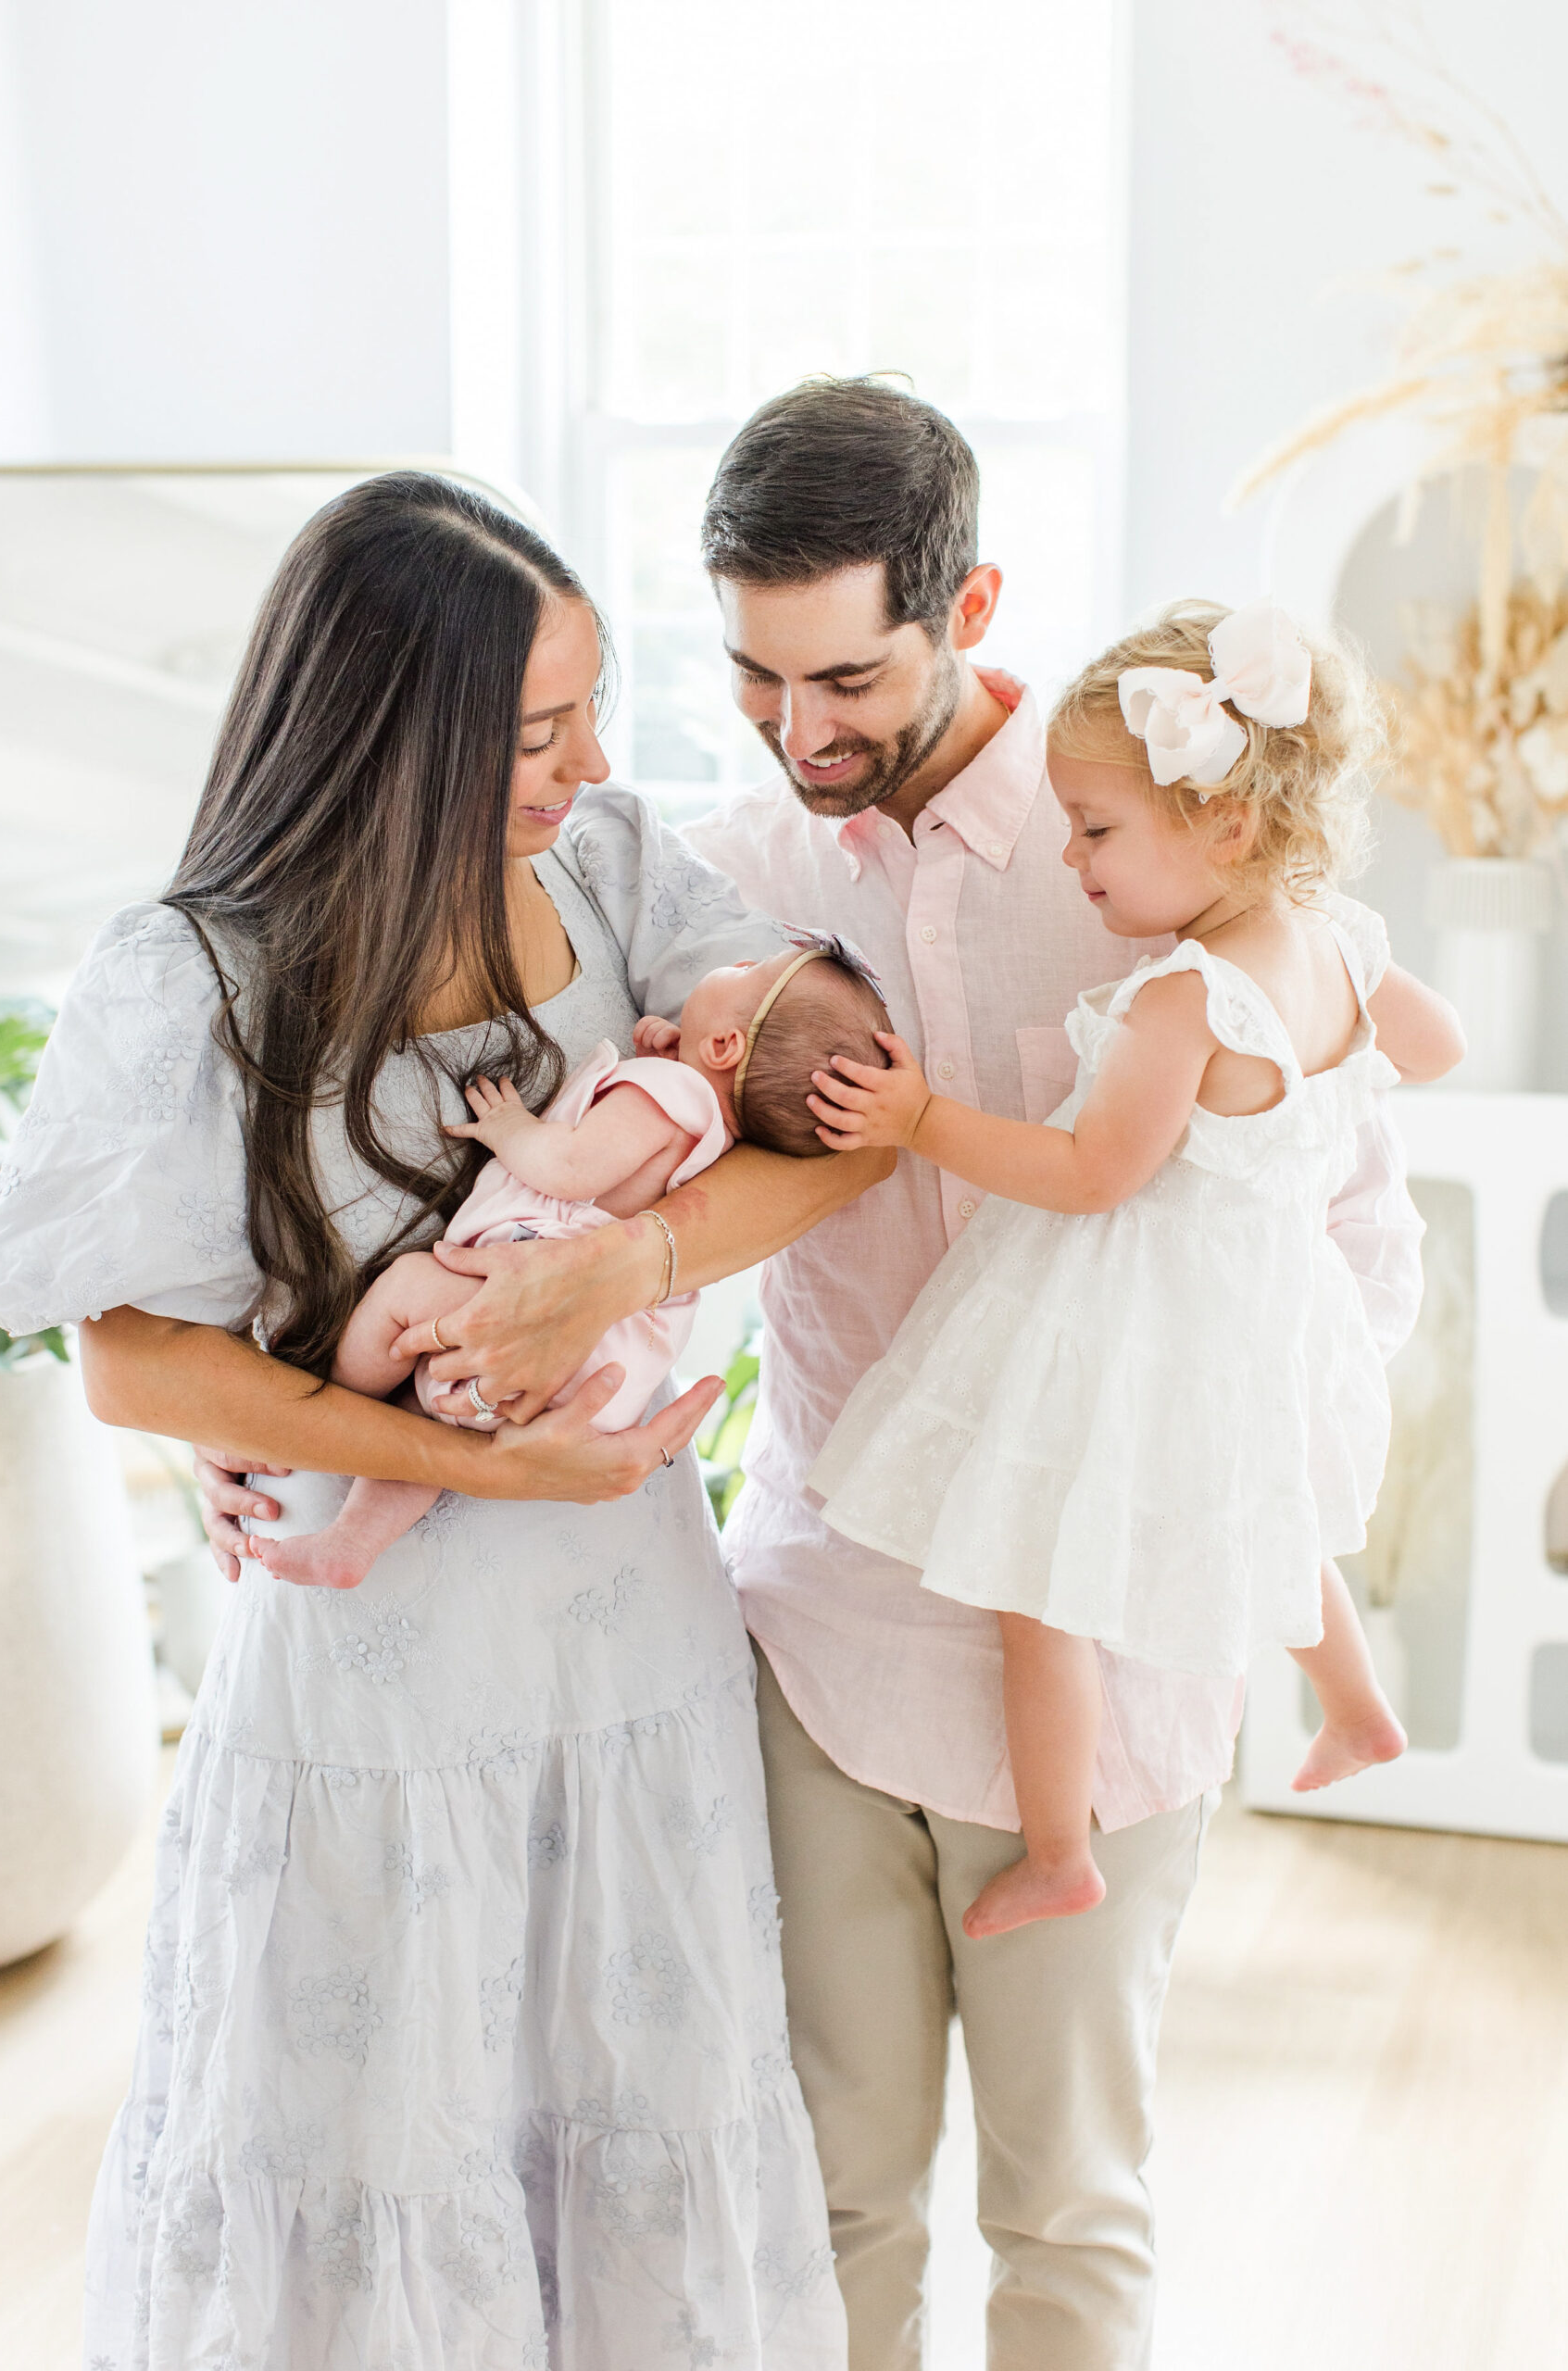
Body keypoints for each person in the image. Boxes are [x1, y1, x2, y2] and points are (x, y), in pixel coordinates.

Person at [0, 472, 860, 2369]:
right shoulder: (194, 975)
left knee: (634, 2128)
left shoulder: (618, 871)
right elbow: (133, 1363)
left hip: (628, 1657)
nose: (591, 760)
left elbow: (844, 1119)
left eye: (592, 707)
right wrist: (484, 1455)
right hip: (372, 1689)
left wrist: (613, 1272)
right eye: (539, 730)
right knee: (375, 2166)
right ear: (390, 728)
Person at [677, 378, 1427, 2370]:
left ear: (971, 600)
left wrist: (1214, 1480)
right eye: (754, 677)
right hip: (823, 1623)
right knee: (825, 2190)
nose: (798, 729)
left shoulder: (1158, 858)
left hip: (1104, 1656)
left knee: (1067, 2208)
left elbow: (1347, 1232)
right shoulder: (734, 865)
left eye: (843, 672)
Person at [809, 598, 1463, 1939]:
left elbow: (1089, 1174)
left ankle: (1058, 1852)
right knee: (1269, 1516)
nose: (1071, 860)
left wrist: (918, 1119)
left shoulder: (1183, 999)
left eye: (1094, 830)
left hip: (1137, 1319)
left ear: (1223, 823)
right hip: (1264, 1307)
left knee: (1032, 1588)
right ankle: (1355, 1709)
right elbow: (1436, 1046)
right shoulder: (1333, 939)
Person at [248, 940, 887, 1592]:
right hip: (597, 1377)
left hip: (544, 1308)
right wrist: (677, 1045)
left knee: (406, 1292)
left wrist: (509, 1127)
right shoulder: (712, 1130)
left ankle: (315, 1415)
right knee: (422, 1413)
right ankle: (352, 1543)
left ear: (722, 1048)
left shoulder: (667, 1090)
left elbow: (574, 1166)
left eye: (749, 966)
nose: (736, 959)